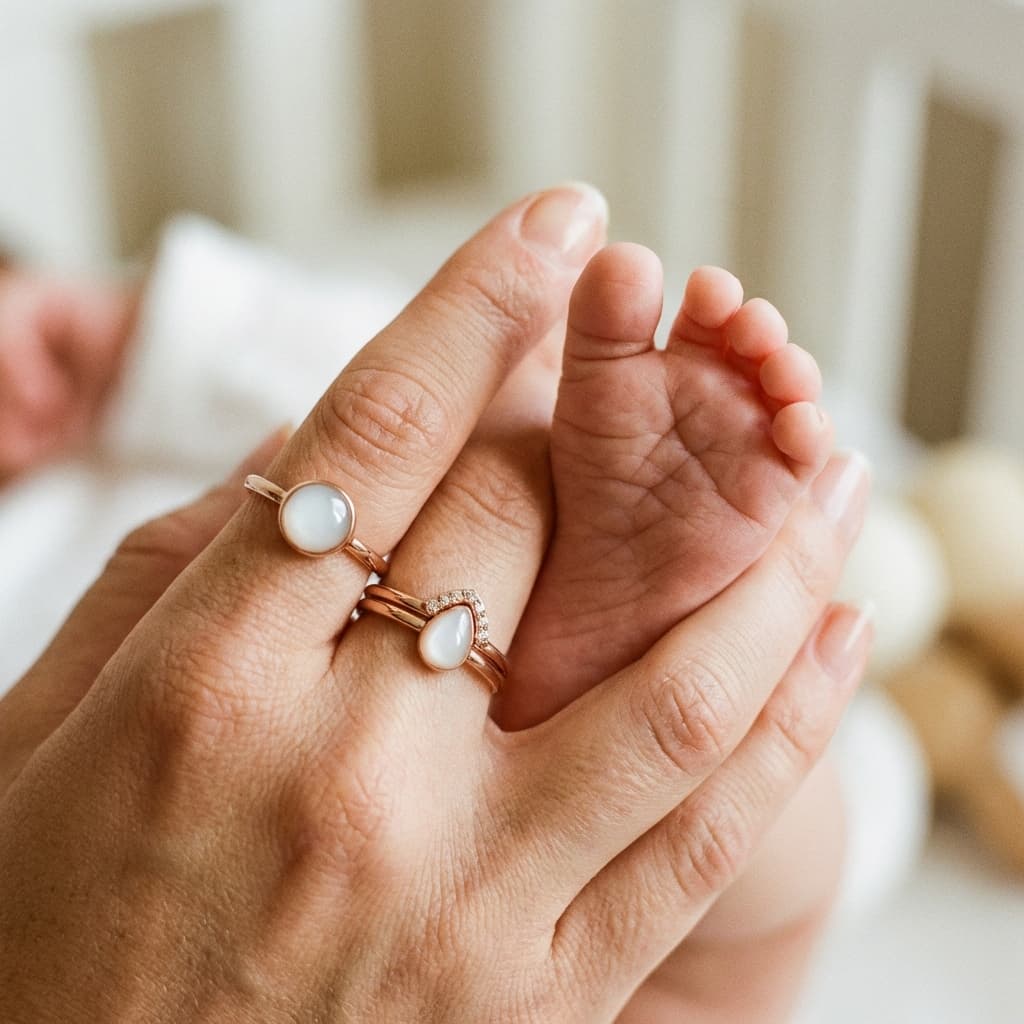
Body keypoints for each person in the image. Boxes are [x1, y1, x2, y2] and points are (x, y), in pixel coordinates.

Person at [0, 184, 871, 1021]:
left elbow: (336, 356)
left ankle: (601, 672)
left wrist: (131, 332)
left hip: (494, 749)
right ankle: (594, 690)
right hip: (172, 874)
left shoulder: (142, 421)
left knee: (735, 840)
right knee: (712, 856)